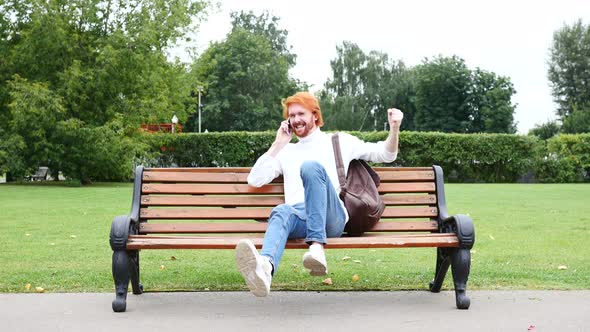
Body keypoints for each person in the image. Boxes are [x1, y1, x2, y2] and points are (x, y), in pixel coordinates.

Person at [235, 92, 403, 297]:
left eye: (301, 113)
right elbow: (254, 179)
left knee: (311, 168)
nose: (296, 119)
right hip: (301, 218)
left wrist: (394, 128)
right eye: (292, 115)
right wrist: (278, 144)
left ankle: (317, 247)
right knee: (281, 211)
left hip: (332, 219)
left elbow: (386, 154)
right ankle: (266, 268)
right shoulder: (286, 152)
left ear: (315, 115)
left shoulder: (339, 141)